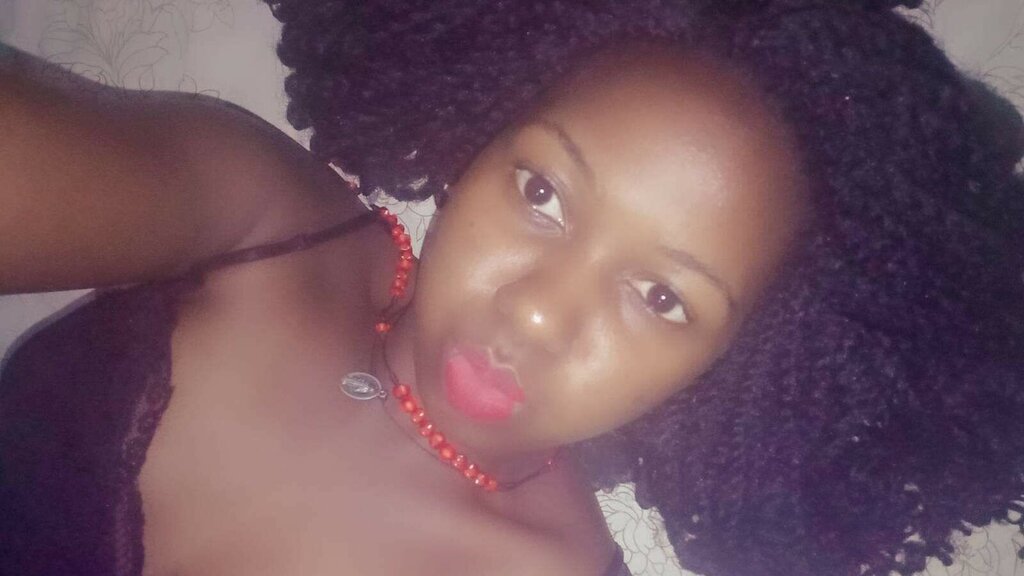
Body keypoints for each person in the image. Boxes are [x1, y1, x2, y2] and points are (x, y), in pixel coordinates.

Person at [1, 0, 1022, 575]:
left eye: (662, 297)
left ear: (732, 365)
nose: (537, 310)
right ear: (478, 139)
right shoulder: (261, 219)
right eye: (542, 192)